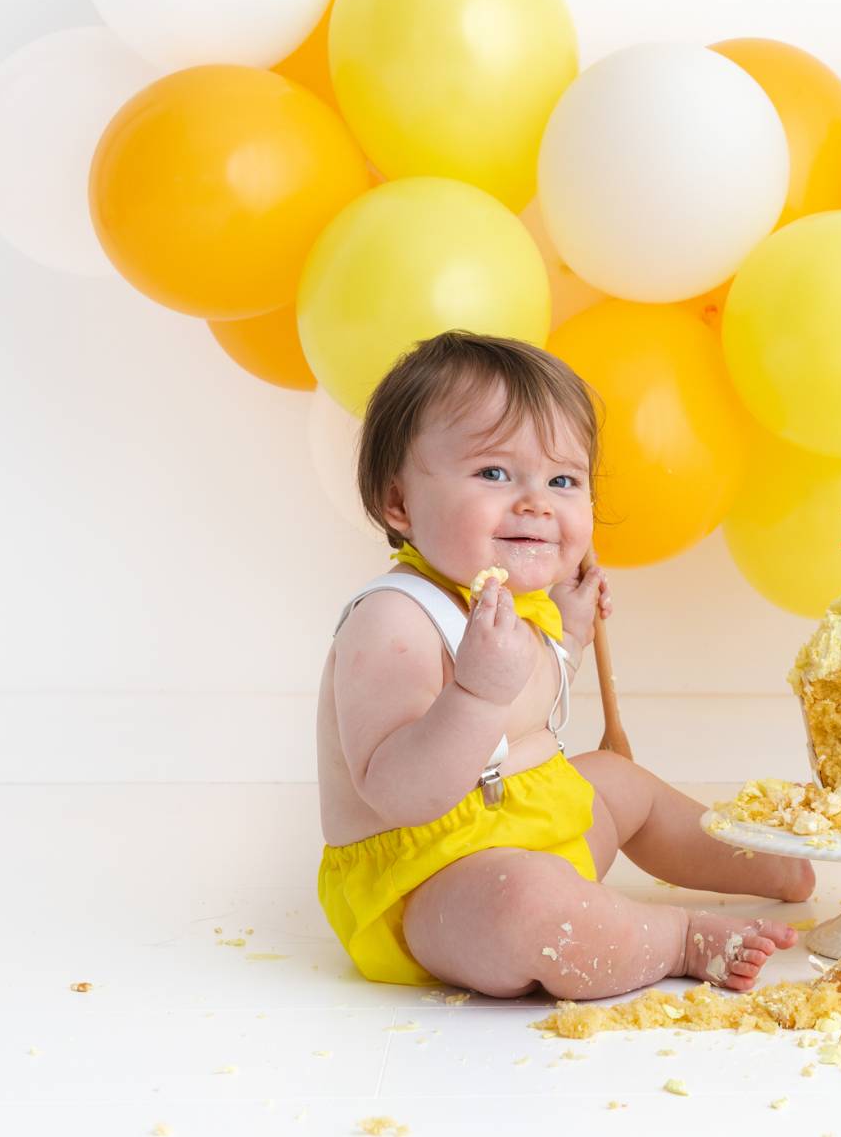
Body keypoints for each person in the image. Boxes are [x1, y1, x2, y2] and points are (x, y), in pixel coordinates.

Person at [315, 331, 815, 998]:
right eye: (494, 473)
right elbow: (402, 793)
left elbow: (530, 701)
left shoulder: (513, 602)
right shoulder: (394, 621)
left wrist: (569, 635)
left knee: (619, 779)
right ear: (400, 503)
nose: (536, 502)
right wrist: (473, 692)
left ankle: (770, 865)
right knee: (525, 907)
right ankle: (674, 939)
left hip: (545, 828)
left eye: (562, 480)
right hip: (437, 884)